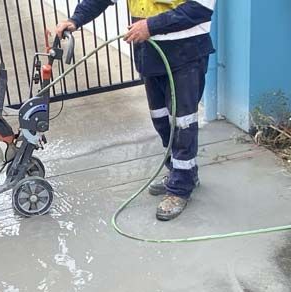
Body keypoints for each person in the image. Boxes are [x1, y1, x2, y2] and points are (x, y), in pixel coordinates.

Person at [55, 0, 215, 221]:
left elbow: (200, 8)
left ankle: (180, 188)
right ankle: (181, 172)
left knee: (182, 123)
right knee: (160, 119)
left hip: (185, 54)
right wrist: (75, 19)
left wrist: (151, 26)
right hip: (150, 53)